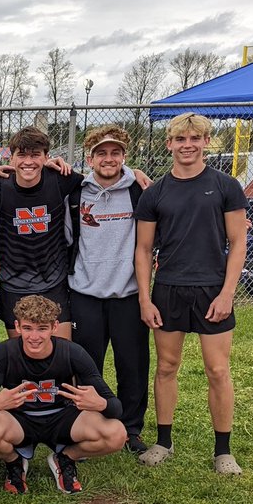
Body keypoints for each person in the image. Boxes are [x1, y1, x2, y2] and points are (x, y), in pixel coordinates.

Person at [134, 113, 248, 475]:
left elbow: (238, 240)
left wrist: (227, 293)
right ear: (169, 143)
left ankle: (223, 450)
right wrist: (145, 297)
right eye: (180, 139)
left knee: (217, 370)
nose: (187, 145)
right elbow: (143, 249)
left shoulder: (226, 185)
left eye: (195, 139)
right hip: (168, 290)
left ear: (205, 142)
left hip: (212, 290)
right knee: (167, 367)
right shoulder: (155, 193)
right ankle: (164, 441)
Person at [0, 295, 127, 495]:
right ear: (17, 326)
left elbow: (116, 408)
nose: (34, 337)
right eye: (28, 328)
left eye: (42, 328)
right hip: (20, 419)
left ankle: (65, 458)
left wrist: (100, 404)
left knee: (116, 434)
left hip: (62, 417)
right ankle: (15, 463)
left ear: (55, 327)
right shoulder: (3, 353)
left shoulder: (73, 352)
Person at [68, 125, 151, 455]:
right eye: (101, 152)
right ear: (90, 158)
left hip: (127, 295)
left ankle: (131, 429)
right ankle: (91, 425)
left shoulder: (138, 191)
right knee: (87, 367)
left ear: (124, 156)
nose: (109, 158)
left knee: (132, 364)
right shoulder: (76, 192)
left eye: (115, 152)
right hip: (85, 294)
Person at [0, 126, 84, 341]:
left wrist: (134, 174)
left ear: (47, 157)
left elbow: (103, 181)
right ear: (12, 157)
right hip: (14, 283)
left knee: (62, 356)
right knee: (21, 357)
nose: (28, 161)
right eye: (22, 155)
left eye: (36, 155)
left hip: (53, 281)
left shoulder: (60, 180)